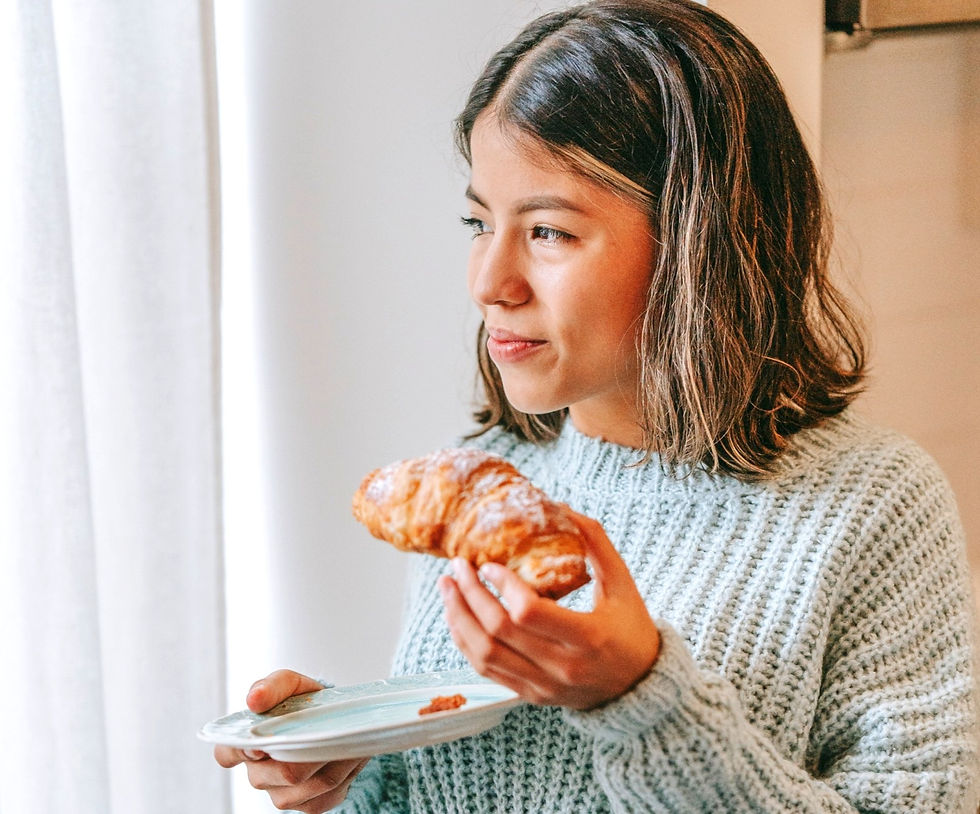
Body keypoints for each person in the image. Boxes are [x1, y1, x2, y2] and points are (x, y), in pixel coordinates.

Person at [214, 1, 980, 810]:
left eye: (547, 231)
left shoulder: (872, 504)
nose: (488, 283)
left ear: (699, 241)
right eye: (479, 221)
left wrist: (642, 700)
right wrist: (351, 769)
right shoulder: (485, 496)